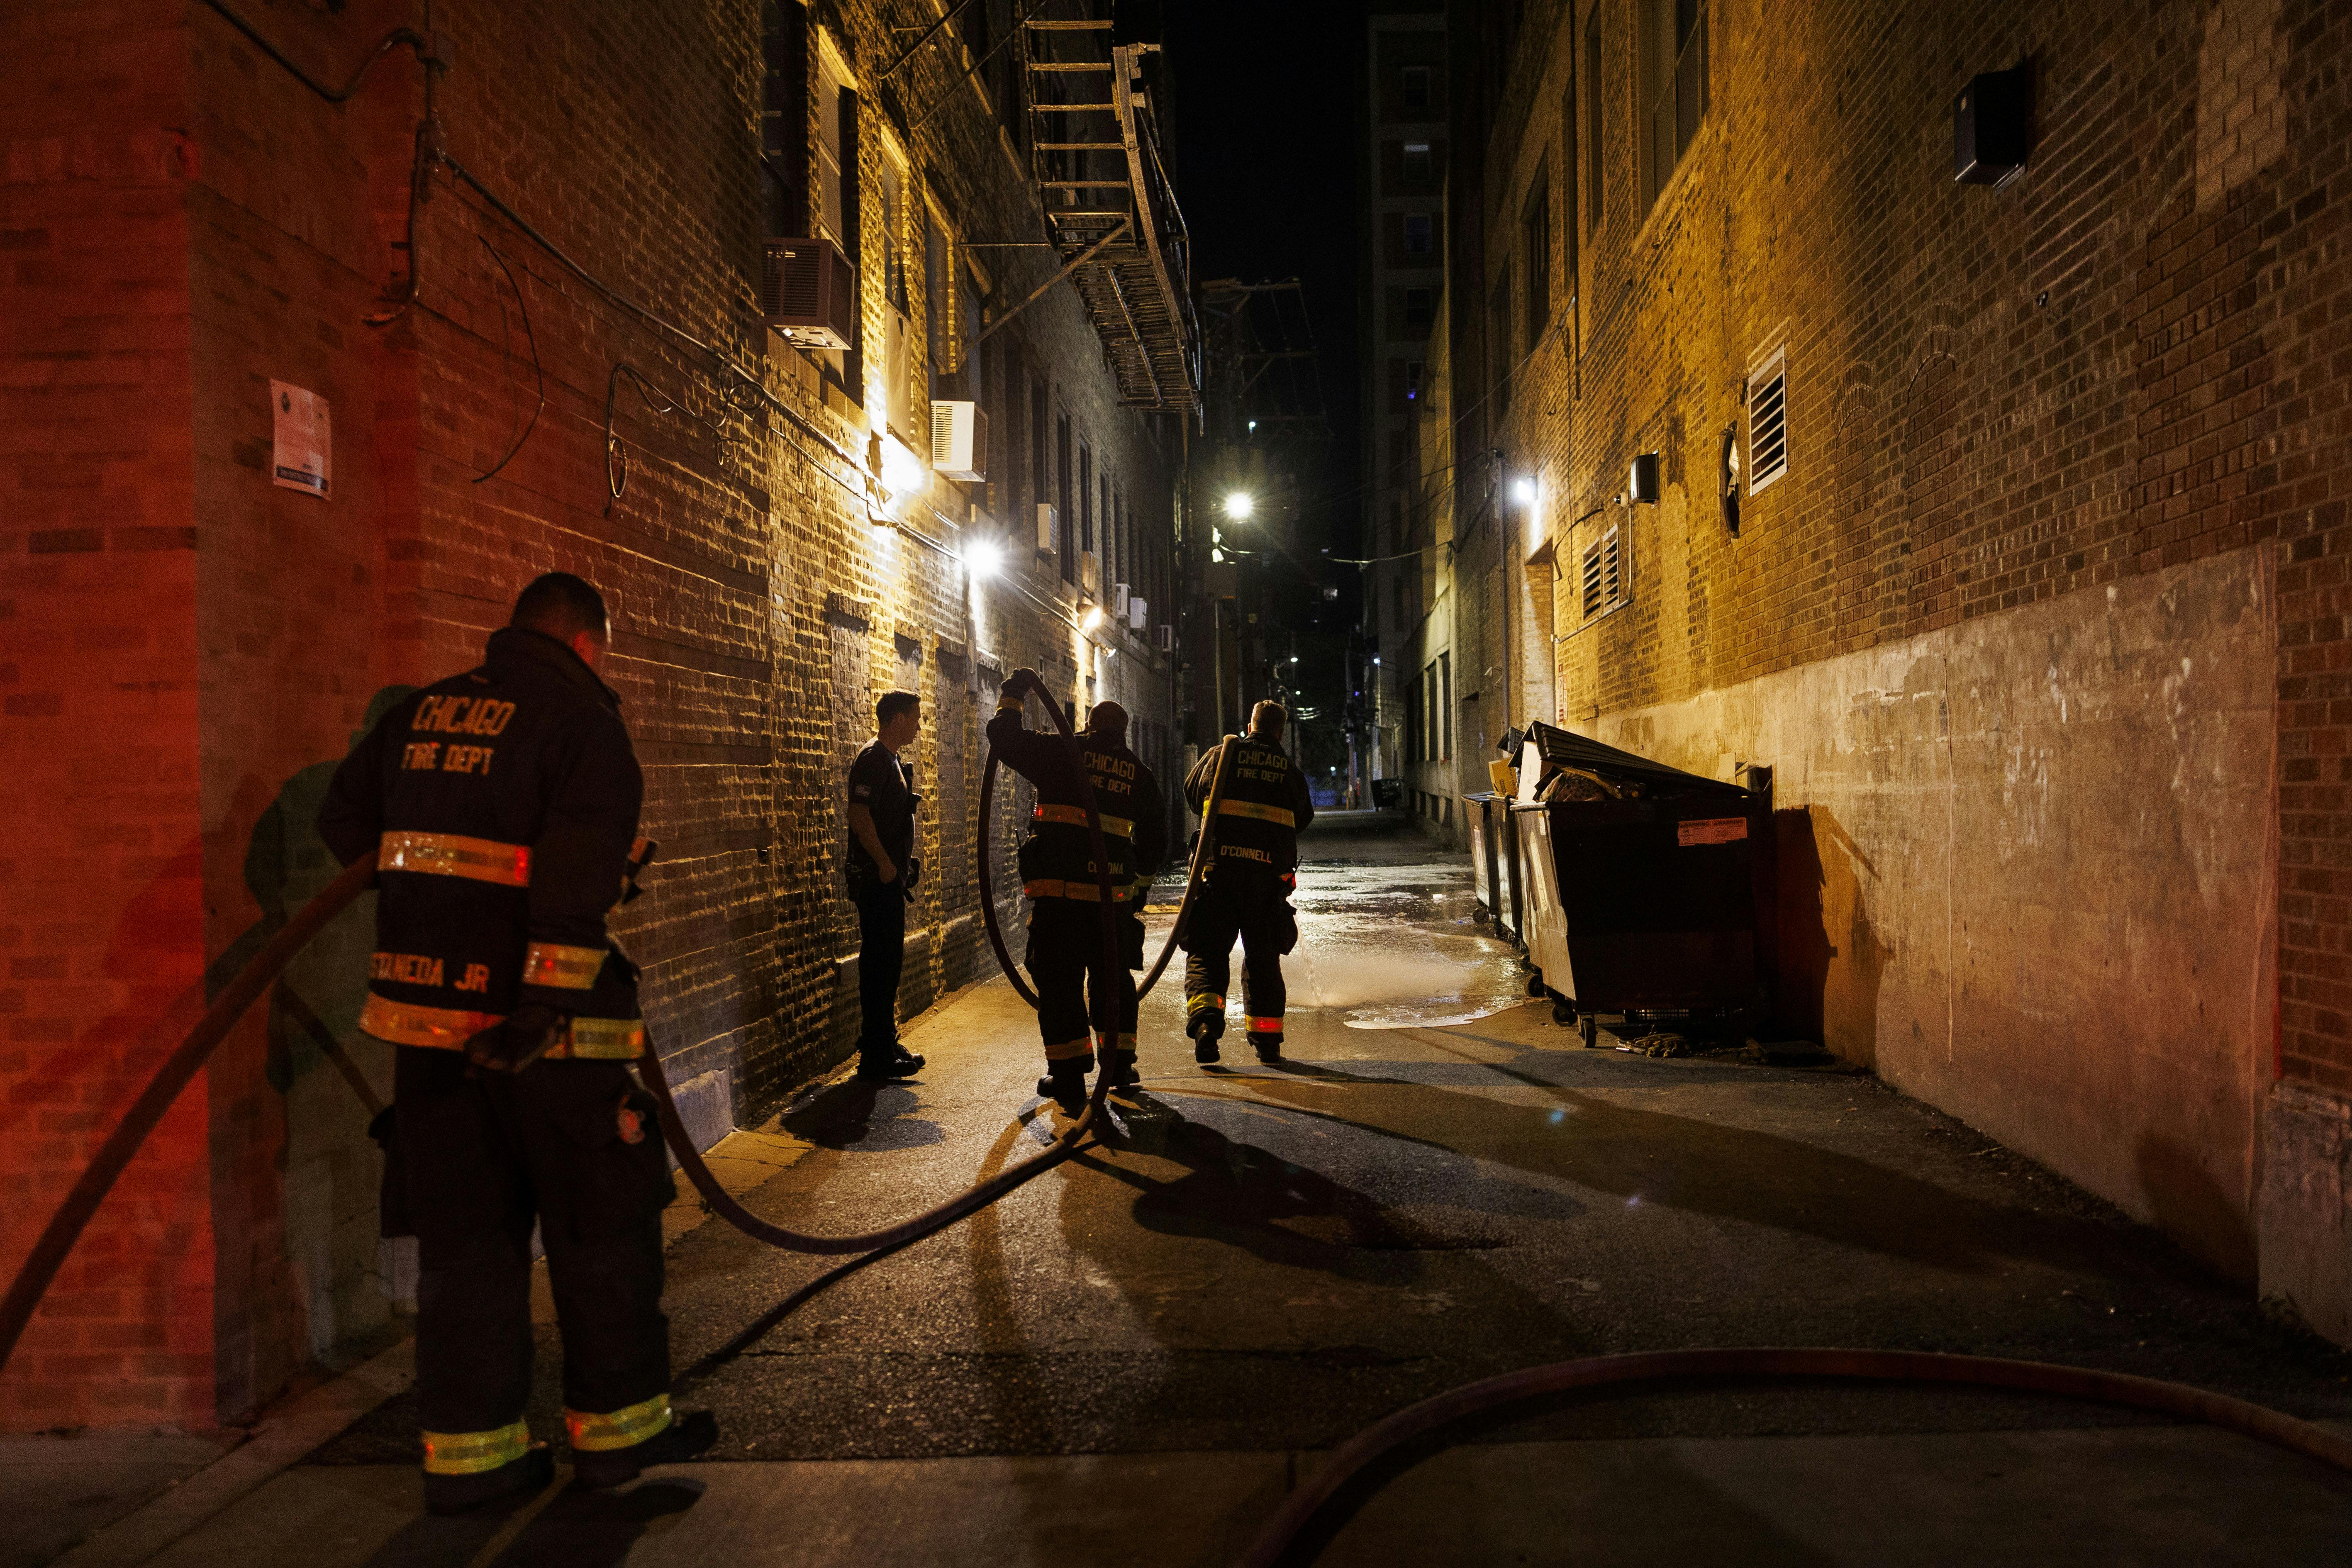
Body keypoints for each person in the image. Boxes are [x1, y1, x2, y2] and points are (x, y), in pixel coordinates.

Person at [318, 572, 715, 1514]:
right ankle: (617, 1438)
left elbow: (345, 825)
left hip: (428, 1040)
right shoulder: (581, 722)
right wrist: (539, 998)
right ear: (586, 642)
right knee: (598, 1228)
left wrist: (436, 915)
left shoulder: (419, 713)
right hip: (552, 1042)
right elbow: (576, 867)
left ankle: (472, 1458)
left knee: (466, 1246)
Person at [988, 675, 1167, 1113]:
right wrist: (1137, 888)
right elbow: (1157, 838)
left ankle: (1068, 1078)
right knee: (1114, 983)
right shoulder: (1139, 775)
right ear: (1122, 734)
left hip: (1061, 899)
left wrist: (1013, 694)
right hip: (1111, 905)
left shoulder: (1062, 754)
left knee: (1059, 983)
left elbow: (1003, 738)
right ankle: (1120, 1065)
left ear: (1087, 725)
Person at [1182, 700, 1315, 1065]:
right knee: (1262, 959)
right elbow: (1302, 818)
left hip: (1217, 876)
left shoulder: (1220, 755)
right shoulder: (1288, 771)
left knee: (1208, 954)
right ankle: (1267, 1040)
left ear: (1250, 724)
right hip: (1264, 883)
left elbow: (1193, 795)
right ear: (1280, 732)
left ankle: (1207, 1026)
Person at [846, 691, 928, 1083]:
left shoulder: (890, 760)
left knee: (888, 962)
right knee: (879, 964)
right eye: (915, 717)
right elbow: (859, 814)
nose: (918, 724)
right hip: (877, 880)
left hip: (889, 879)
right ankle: (875, 1055)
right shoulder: (873, 759)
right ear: (897, 719)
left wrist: (899, 863)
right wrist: (882, 863)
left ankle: (883, 1039)